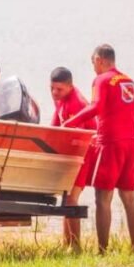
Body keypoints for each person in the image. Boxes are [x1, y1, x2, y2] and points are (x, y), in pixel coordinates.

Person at [64, 44, 134, 254]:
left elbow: (96, 106)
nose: (93, 68)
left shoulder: (101, 80)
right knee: (130, 198)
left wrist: (71, 122)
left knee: (103, 197)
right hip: (131, 143)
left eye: (93, 63)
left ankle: (102, 250)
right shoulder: (130, 81)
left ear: (99, 60)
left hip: (110, 144)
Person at [50, 66, 97, 252]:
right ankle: (66, 243)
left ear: (70, 86)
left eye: (59, 89)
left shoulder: (76, 104)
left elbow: (80, 138)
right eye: (51, 88)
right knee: (66, 198)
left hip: (84, 154)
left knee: (71, 199)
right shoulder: (61, 98)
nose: (54, 93)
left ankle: (76, 246)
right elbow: (55, 126)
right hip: (72, 153)